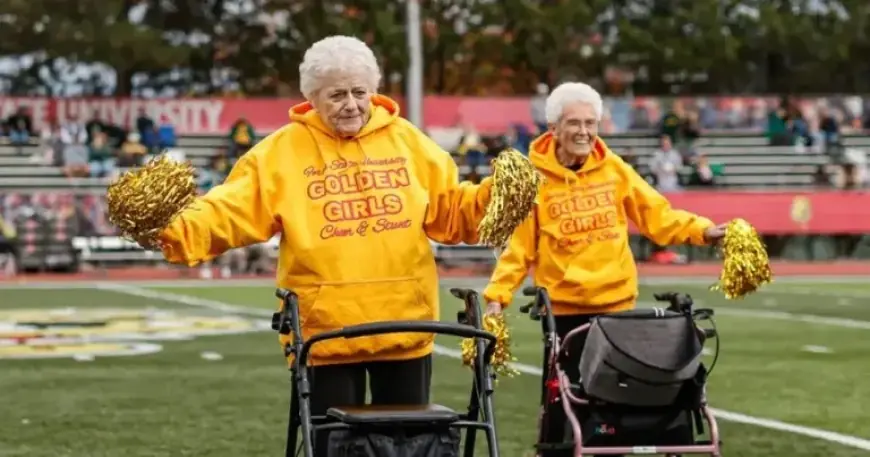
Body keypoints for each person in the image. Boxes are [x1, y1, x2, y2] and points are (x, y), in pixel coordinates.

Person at [150, 35, 494, 456]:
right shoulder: (280, 152)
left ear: (374, 90)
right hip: (326, 330)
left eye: (359, 92)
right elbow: (228, 210)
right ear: (312, 97)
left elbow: (452, 210)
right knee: (333, 447)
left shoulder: (408, 141)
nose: (351, 104)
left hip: (406, 322)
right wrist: (170, 228)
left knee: (412, 446)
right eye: (336, 95)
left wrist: (494, 200)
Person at [481, 82, 726, 455]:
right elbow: (518, 250)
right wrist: (497, 299)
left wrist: (705, 231)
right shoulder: (532, 180)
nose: (584, 132)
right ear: (554, 128)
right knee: (566, 407)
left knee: (621, 410)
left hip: (617, 311)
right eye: (575, 123)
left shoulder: (615, 169)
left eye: (591, 123)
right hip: (564, 314)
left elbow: (658, 217)